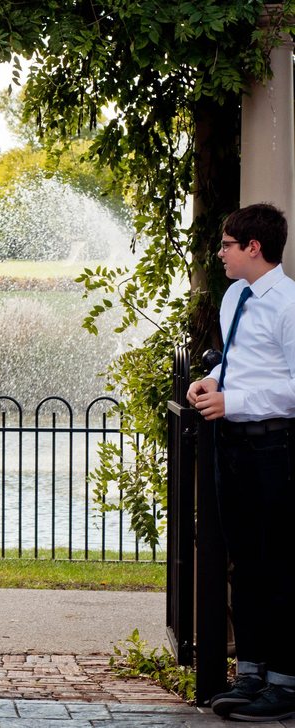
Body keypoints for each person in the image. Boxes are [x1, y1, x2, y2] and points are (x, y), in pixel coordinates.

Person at [186, 203, 295, 722]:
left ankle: (285, 681)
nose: (220, 252)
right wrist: (215, 382)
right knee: (244, 562)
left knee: (280, 565)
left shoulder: (290, 304)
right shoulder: (235, 296)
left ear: (254, 246)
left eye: (227, 244)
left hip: (275, 450)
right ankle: (249, 671)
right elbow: (238, 359)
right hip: (231, 447)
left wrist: (237, 402)